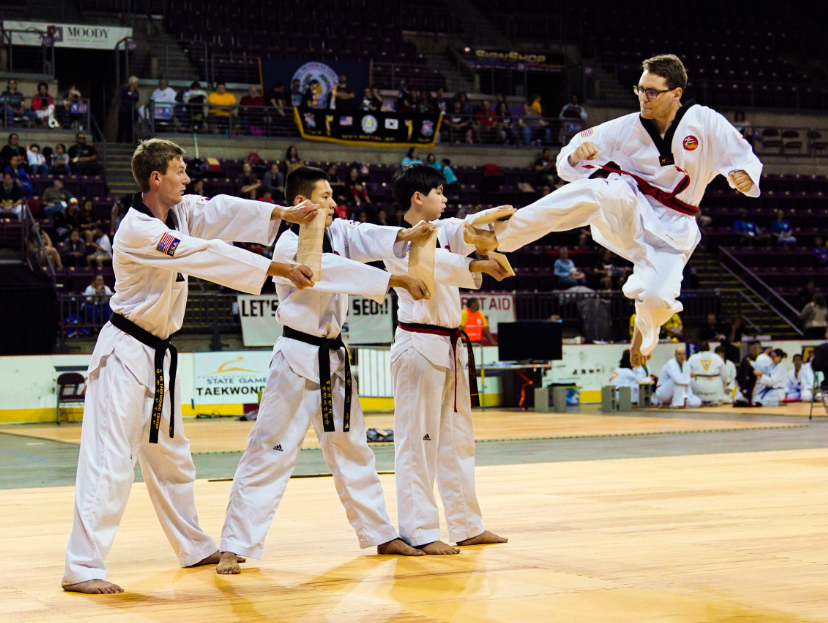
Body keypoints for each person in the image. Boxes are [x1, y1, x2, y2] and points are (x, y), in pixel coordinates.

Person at [62, 137, 319, 594]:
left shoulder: (180, 212)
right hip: (124, 353)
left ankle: (194, 544)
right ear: (156, 178)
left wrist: (283, 214)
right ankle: (82, 567)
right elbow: (205, 255)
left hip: (158, 356)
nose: (187, 178)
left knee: (172, 458)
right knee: (110, 462)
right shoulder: (139, 230)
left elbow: (222, 211)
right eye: (179, 171)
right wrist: (277, 269)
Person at [216, 166, 435, 574]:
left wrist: (403, 236)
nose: (333, 203)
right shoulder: (287, 245)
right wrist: (396, 280)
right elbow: (326, 274)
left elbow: (365, 234)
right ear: (301, 203)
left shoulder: (337, 232)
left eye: (333, 196)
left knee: (353, 448)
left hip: (333, 358)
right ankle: (235, 544)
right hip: (297, 359)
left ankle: (381, 533)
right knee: (271, 451)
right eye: (325, 196)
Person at [490, 54, 762, 367]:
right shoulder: (627, 126)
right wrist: (576, 155)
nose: (644, 97)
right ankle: (501, 234)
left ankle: (647, 330)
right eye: (640, 89)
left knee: (659, 300)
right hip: (631, 206)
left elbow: (742, 155)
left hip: (676, 227)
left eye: (652, 92)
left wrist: (742, 173)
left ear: (676, 93)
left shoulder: (704, 121)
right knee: (598, 190)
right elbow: (569, 159)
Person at [383, 164, 510, 555]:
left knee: (456, 442)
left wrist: (486, 227)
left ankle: (467, 524)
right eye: (438, 192)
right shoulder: (395, 241)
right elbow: (434, 267)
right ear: (418, 197)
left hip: (449, 346)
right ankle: (419, 530)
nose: (445, 198)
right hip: (418, 345)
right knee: (416, 442)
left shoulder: (443, 230)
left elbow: (466, 227)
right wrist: (476, 264)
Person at [734, 341, 772, 407]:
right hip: (764, 385)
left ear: (755, 349)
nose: (751, 353)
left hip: (761, 387)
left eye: (751, 350)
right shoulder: (765, 357)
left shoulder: (761, 359)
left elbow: (757, 374)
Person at [117, 77, 140, 143]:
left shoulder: (136, 92)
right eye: (136, 83)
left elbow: (136, 100)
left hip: (131, 112)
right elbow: (120, 99)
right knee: (122, 127)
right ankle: (119, 141)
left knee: (130, 127)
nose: (137, 85)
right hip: (123, 111)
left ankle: (128, 142)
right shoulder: (125, 90)